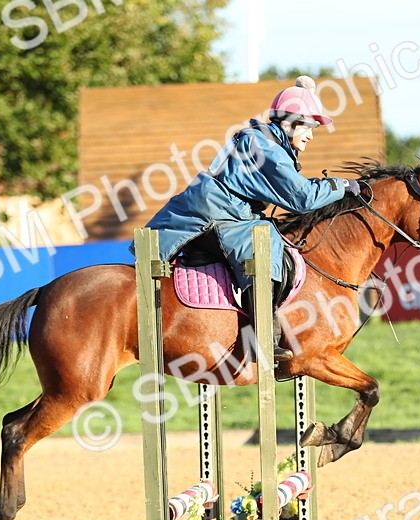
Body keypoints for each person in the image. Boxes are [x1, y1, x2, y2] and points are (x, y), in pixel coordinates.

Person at [137, 76, 361, 361]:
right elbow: (302, 198)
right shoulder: (266, 148)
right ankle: (263, 338)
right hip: (217, 215)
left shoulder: (264, 141)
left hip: (221, 211)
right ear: (289, 123)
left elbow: (296, 190)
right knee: (264, 244)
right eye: (308, 127)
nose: (311, 135)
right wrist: (339, 186)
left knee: (266, 232)